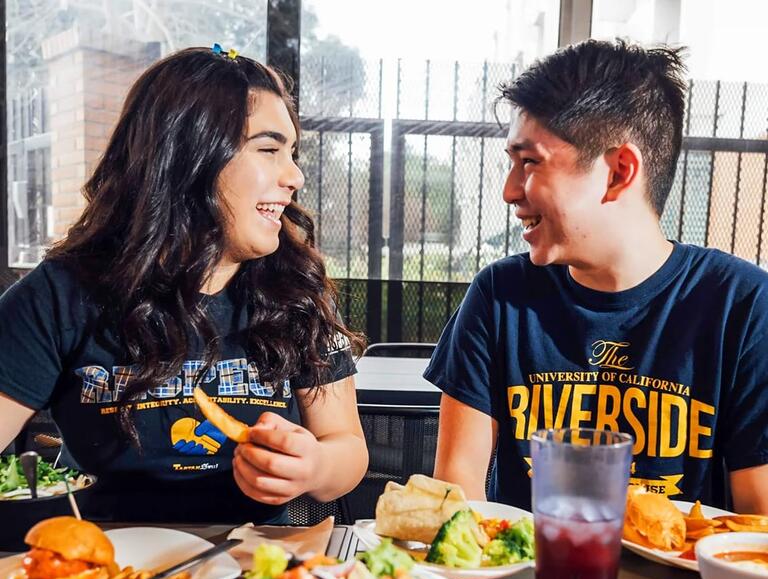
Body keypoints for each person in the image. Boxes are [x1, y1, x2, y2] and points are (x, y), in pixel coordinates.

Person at [0, 46, 368, 524]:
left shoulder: (295, 286)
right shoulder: (61, 293)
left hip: (256, 576)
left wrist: (316, 467)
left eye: (291, 153)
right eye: (269, 149)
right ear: (189, 157)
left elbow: (347, 447)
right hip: (103, 572)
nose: (294, 175)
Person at [425, 39, 768, 515]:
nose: (509, 191)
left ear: (618, 172)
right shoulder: (501, 296)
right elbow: (456, 498)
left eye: (529, 163)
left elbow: (758, 524)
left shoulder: (744, 306)